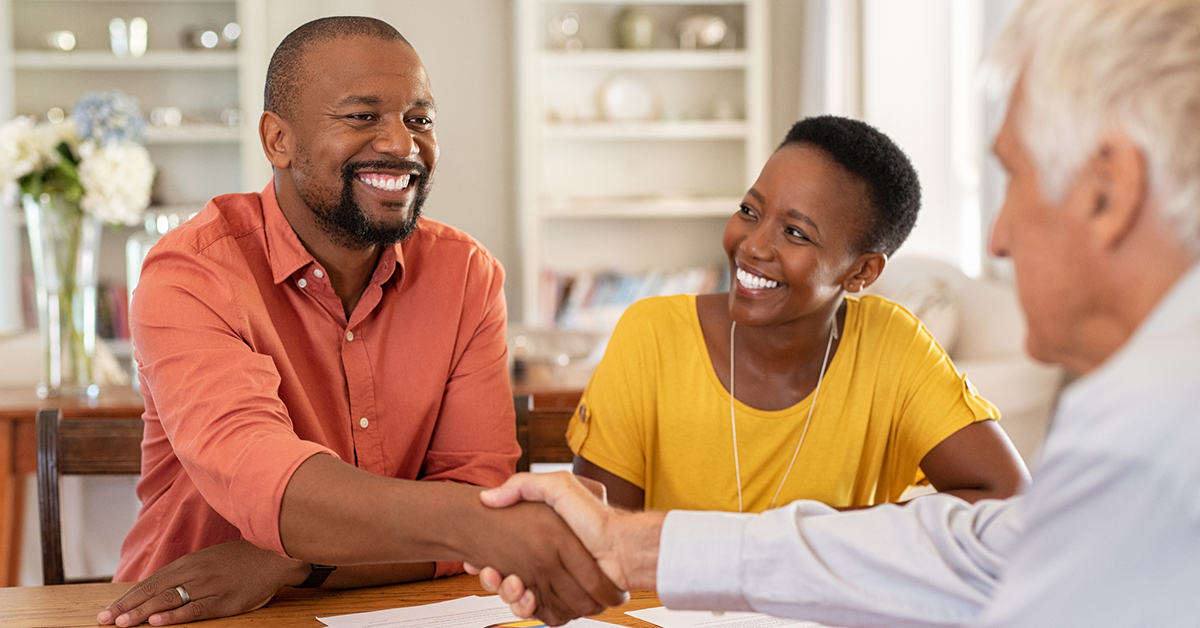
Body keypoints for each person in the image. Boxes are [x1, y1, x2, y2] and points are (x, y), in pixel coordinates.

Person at [472, 0, 1200, 625]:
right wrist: (630, 545)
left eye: (1014, 177)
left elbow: (1003, 539)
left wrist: (644, 544)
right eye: (751, 211)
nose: (996, 238)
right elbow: (988, 546)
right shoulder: (1147, 407)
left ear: (1109, 190)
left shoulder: (1144, 432)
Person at [96, 16, 621, 628]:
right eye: (361, 117)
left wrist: (295, 565)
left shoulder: (467, 276)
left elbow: (475, 490)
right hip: (192, 615)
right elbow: (272, 486)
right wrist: (485, 526)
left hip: (386, 610)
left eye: (419, 119)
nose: (402, 144)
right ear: (277, 140)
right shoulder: (193, 274)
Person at [571, 116, 1029, 514]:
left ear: (861, 271)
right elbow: (598, 539)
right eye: (749, 210)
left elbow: (1008, 497)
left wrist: (807, 538)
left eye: (795, 232)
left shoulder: (893, 345)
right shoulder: (653, 334)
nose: (752, 245)